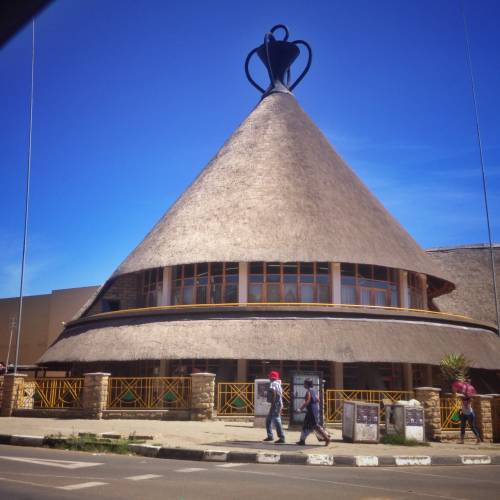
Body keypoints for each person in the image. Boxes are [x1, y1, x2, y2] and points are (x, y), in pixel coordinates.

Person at [296, 378, 331, 446]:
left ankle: (327, 439)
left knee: (315, 426)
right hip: (312, 411)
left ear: (307, 384)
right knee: (305, 425)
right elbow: (318, 400)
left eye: (304, 383)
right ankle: (302, 441)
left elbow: (307, 401)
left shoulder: (308, 392)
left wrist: (300, 409)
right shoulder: (313, 390)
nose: (303, 385)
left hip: (311, 411)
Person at [452, 378, 482, 444]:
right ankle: (462, 440)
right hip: (464, 413)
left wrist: (461, 396)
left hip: (470, 414)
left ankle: (478, 438)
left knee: (472, 427)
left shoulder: (469, 396)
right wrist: (456, 392)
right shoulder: (464, 394)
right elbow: (457, 395)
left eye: (466, 382)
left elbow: (465, 398)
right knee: (462, 427)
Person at [263, 370, 286, 444]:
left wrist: (273, 403)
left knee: (276, 419)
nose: (269, 378)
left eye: (270, 377)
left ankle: (281, 437)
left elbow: (274, 392)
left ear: (272, 378)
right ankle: (270, 436)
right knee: (269, 419)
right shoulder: (278, 384)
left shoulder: (273, 384)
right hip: (278, 403)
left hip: (275, 403)